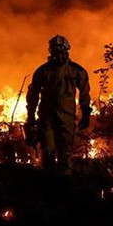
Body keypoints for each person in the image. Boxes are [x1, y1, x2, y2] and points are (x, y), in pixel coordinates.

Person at [26, 35, 91, 174]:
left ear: (67, 50)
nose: (58, 53)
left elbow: (85, 94)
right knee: (48, 151)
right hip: (47, 118)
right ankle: (48, 184)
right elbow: (33, 95)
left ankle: (64, 186)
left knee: (65, 153)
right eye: (55, 50)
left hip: (66, 119)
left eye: (61, 49)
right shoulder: (42, 71)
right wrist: (30, 117)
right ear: (51, 51)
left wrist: (86, 114)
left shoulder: (77, 71)